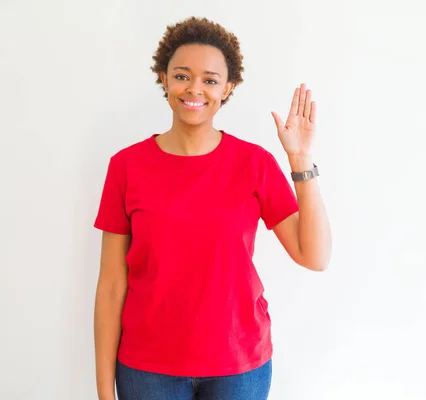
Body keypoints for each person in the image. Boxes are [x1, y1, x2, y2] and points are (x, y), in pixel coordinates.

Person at [92, 16, 332, 400]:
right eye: (182, 75)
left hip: (239, 368)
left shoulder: (253, 164)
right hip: (147, 370)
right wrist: (105, 393)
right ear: (164, 78)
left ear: (227, 88)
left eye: (210, 79)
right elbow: (110, 288)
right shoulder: (126, 167)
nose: (195, 89)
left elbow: (315, 256)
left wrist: (300, 159)